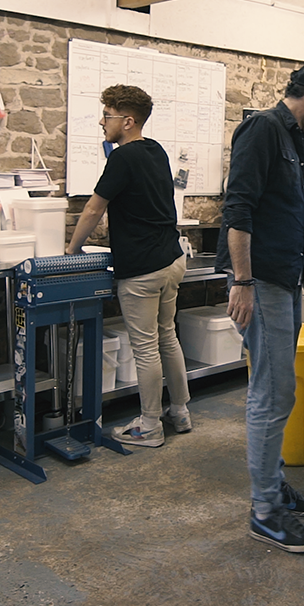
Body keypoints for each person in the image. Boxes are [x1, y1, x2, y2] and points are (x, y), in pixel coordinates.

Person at [217, 61, 304, 553]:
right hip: (262, 280)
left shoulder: (297, 139)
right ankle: (265, 511)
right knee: (272, 395)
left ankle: (274, 488)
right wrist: (242, 281)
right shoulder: (262, 129)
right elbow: (238, 209)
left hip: (286, 278)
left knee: (277, 391)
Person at [67, 84, 191, 448]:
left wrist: (73, 249)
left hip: (142, 269)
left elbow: (93, 208)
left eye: (107, 116)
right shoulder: (156, 151)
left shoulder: (121, 158)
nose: (102, 123)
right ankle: (180, 411)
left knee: (145, 346)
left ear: (128, 120)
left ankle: (150, 425)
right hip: (171, 260)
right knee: (167, 335)